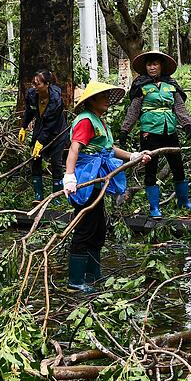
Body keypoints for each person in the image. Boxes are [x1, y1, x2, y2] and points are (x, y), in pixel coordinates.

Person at [64, 81, 151, 293]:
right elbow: (74, 148)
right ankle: (75, 281)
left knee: (98, 228)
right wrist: (69, 176)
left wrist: (133, 156)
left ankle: (94, 275)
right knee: (85, 227)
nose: (106, 101)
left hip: (99, 176)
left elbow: (109, 149)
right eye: (102, 97)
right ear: (91, 100)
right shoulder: (85, 121)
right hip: (87, 177)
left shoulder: (99, 121)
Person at [119, 50, 191, 218]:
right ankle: (154, 208)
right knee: (150, 169)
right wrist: (125, 130)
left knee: (178, 167)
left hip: (170, 131)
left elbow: (179, 107)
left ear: (161, 66)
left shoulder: (171, 85)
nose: (152, 67)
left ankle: (183, 201)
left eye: (155, 64)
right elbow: (133, 111)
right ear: (145, 67)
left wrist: (187, 123)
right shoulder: (141, 86)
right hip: (149, 133)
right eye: (149, 64)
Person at [19, 70, 68, 204]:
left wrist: (40, 142)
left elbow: (50, 124)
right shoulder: (32, 94)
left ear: (47, 84)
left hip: (57, 132)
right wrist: (24, 126)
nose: (34, 86)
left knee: (56, 163)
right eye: (33, 83)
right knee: (35, 159)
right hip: (40, 129)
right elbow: (29, 111)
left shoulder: (56, 99)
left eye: (38, 84)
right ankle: (38, 194)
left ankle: (56, 196)